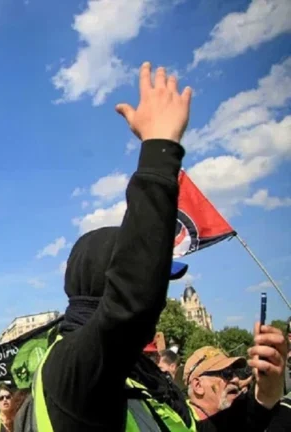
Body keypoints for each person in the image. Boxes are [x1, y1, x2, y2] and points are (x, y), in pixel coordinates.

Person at [16, 62, 288, 432]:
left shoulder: (142, 381)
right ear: (107, 287)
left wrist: (266, 396)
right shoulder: (73, 369)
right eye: (154, 284)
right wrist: (160, 150)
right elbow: (132, 305)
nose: (160, 305)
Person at [184, 346, 247, 420]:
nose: (236, 379)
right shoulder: (182, 423)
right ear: (198, 386)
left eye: (236, 372)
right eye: (227, 373)